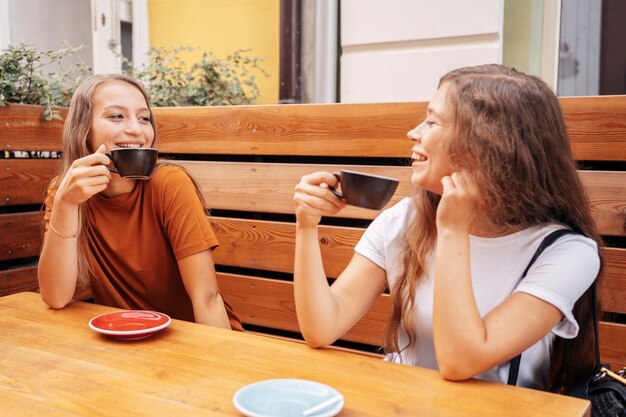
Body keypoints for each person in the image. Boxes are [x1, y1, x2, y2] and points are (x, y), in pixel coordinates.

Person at [293, 64, 601, 392]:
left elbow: (460, 361)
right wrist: (306, 225)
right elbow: (322, 328)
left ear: (487, 145)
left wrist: (454, 231)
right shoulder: (403, 220)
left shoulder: (567, 253)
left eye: (432, 121)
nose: (413, 133)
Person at [38, 73, 243, 331]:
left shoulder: (169, 183)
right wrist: (65, 205)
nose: (136, 129)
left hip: (194, 339)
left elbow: (208, 299)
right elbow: (55, 297)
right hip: (121, 341)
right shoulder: (65, 193)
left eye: (144, 118)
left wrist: (220, 366)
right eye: (116, 116)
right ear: (83, 128)